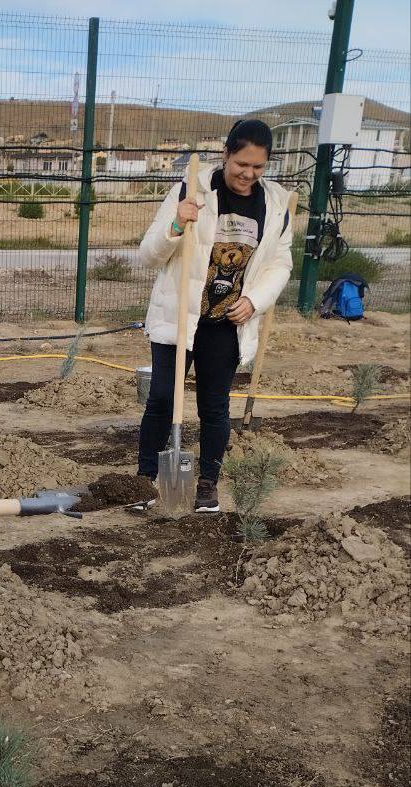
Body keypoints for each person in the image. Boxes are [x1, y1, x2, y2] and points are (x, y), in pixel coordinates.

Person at [130, 119, 293, 514]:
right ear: (226, 155)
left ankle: (207, 483)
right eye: (241, 164)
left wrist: (254, 300)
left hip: (227, 323)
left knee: (215, 406)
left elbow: (279, 265)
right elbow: (148, 255)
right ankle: (144, 478)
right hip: (180, 316)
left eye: (258, 167)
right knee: (163, 398)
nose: (248, 174)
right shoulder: (191, 188)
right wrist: (176, 223)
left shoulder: (275, 205)